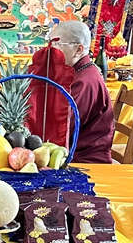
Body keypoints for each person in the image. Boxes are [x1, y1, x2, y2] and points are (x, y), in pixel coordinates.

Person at [48, 20, 113, 163]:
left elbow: (63, 128)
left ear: (79, 50)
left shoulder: (85, 81)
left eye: (57, 44)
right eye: (50, 43)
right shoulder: (75, 72)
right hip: (67, 152)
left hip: (84, 161)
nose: (51, 50)